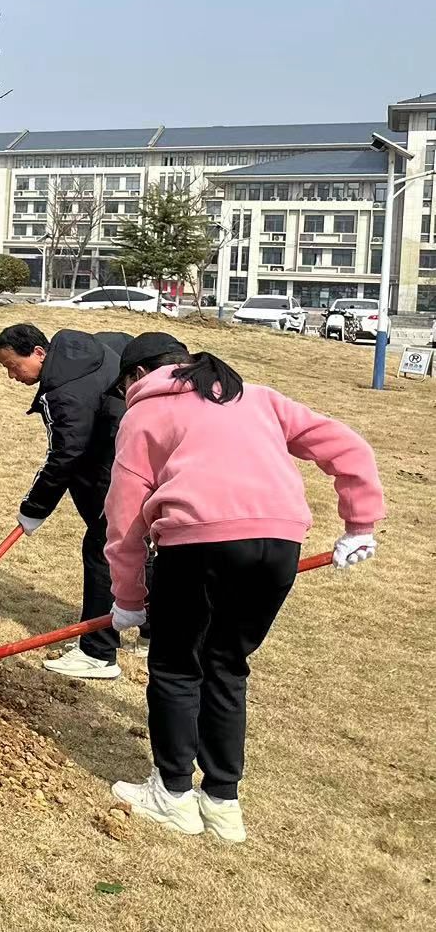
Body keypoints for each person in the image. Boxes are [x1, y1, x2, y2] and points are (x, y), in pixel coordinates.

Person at [103, 331, 383, 843]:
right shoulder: (256, 396)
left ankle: (172, 794)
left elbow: (124, 520)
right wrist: (359, 524)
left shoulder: (143, 413)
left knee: (175, 664)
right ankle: (222, 803)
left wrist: (127, 599)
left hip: (197, 542)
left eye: (123, 387)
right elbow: (348, 446)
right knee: (227, 664)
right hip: (278, 543)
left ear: (138, 376)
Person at [0, 323, 126, 679]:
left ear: (38, 353)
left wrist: (33, 509)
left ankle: (98, 654)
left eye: (13, 366)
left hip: (119, 470)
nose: (12, 376)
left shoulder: (63, 393)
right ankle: (151, 630)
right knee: (134, 548)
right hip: (137, 459)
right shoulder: (90, 347)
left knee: (102, 550)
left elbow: (65, 456)